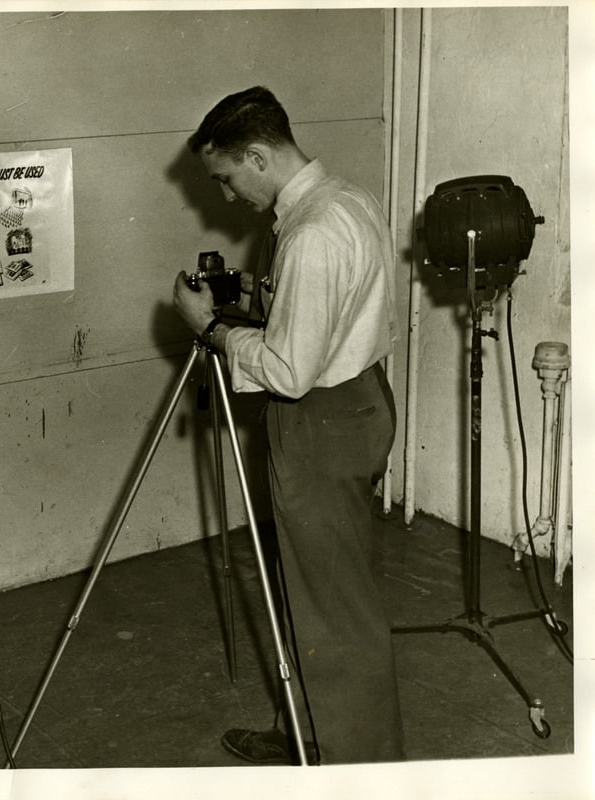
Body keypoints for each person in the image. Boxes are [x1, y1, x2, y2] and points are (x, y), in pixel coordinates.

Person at [172, 86, 403, 765]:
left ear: (254, 154)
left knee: (336, 610)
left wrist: (209, 327)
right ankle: (311, 731)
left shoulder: (308, 232)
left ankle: (360, 766)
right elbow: (334, 309)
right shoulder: (346, 200)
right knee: (318, 591)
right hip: (359, 403)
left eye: (225, 177)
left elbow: (288, 371)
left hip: (320, 424)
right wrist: (254, 294)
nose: (225, 195)